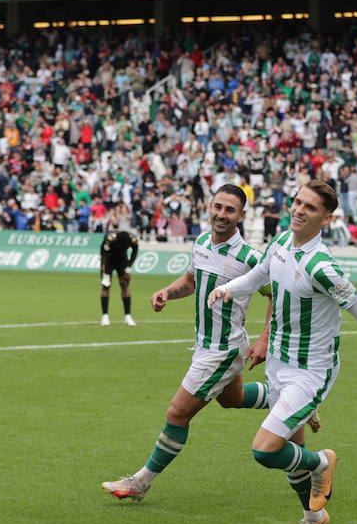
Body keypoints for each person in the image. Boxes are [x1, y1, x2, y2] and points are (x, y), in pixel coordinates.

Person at [208, 180, 357, 524]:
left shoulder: (323, 267)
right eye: (298, 202)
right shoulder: (282, 241)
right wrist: (228, 288)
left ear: (326, 218)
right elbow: (258, 276)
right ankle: (313, 518)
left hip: (310, 372)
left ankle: (323, 462)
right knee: (290, 451)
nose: (298, 210)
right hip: (278, 363)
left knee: (265, 449)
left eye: (310, 207)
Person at [102, 185, 280, 501]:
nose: (221, 214)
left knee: (177, 413)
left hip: (222, 350)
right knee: (233, 399)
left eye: (230, 210)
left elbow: (276, 296)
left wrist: (264, 339)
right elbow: (191, 281)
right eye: (217, 207)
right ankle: (292, 400)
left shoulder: (250, 258)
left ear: (241, 215)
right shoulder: (201, 242)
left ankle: (140, 483)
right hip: (204, 346)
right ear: (209, 207)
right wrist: (167, 293)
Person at [100, 226, 139, 326]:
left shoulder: (133, 240)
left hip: (122, 260)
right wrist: (105, 273)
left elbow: (134, 252)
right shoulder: (109, 239)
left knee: (125, 285)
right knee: (106, 285)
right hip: (108, 260)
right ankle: (105, 316)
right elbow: (104, 256)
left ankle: (128, 316)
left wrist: (128, 268)